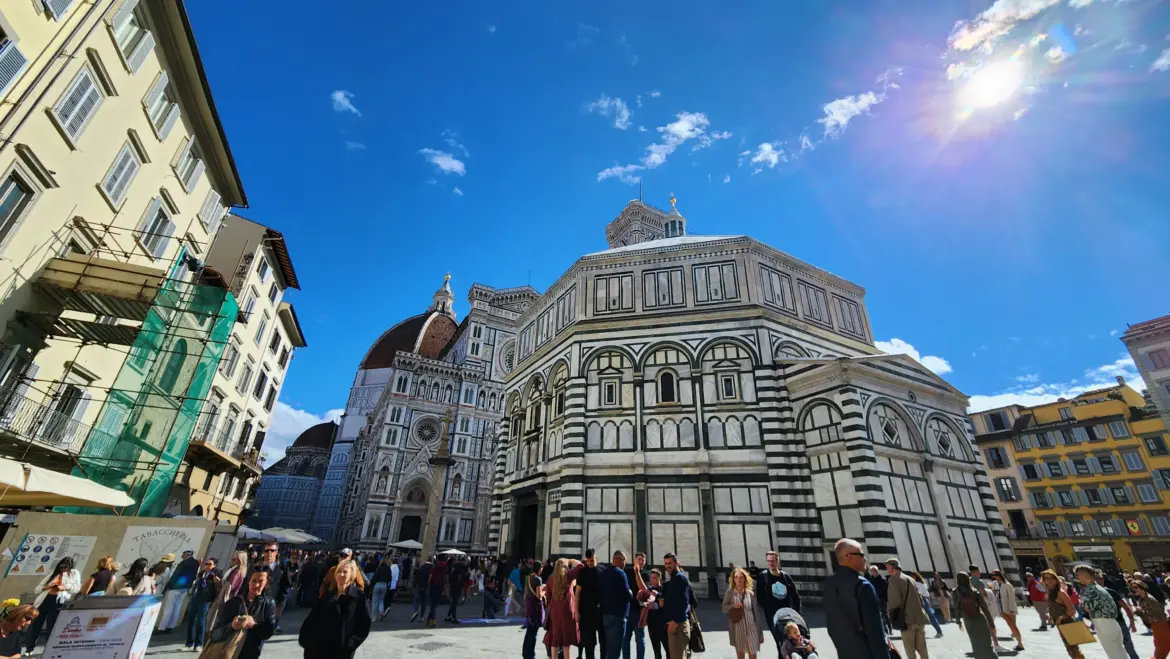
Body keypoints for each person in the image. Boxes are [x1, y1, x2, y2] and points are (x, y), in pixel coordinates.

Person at [822, 539, 890, 659]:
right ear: (849, 557)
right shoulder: (862, 585)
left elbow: (832, 627)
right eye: (861, 555)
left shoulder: (829, 585)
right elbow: (874, 632)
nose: (865, 559)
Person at [299, 559, 371, 658]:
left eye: (345, 572)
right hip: (321, 649)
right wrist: (307, 641)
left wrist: (351, 644)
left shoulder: (358, 597)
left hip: (342, 651)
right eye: (339, 571)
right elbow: (313, 619)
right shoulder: (327, 596)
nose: (341, 574)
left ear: (351, 575)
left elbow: (364, 623)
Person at [205, 566, 276, 659]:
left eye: (261, 581)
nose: (256, 585)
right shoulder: (234, 602)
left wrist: (254, 625)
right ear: (248, 581)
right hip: (228, 654)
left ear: (266, 583)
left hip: (251, 654)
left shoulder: (268, 603)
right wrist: (231, 626)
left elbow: (268, 632)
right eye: (254, 581)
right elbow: (214, 635)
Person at [27, 556, 80, 654]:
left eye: (66, 567)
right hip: (45, 600)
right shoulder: (53, 574)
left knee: (51, 626)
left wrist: (64, 587)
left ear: (70, 567)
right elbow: (37, 589)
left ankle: (48, 650)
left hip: (57, 601)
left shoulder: (74, 574)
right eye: (61, 567)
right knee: (35, 624)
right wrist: (48, 587)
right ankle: (29, 648)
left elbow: (76, 588)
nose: (63, 569)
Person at [1074, 565, 1126, 659]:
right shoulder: (1098, 587)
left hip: (1103, 622)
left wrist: (1083, 606)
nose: (1077, 577)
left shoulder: (1090, 590)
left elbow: (1086, 608)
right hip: (1111, 622)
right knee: (1119, 652)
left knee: (1114, 654)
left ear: (1084, 575)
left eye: (1077, 575)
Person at [757, 550, 800, 654]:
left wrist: (797, 613)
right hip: (772, 616)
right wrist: (768, 608)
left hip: (787, 615)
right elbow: (759, 596)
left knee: (791, 641)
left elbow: (795, 596)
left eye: (773, 561)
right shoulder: (763, 577)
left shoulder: (785, 577)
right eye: (769, 561)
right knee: (779, 642)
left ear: (778, 561)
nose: (771, 563)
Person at [884, 558, 928, 659]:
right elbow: (920, 598)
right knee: (923, 649)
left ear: (891, 567)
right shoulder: (910, 578)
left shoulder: (893, 580)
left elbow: (895, 601)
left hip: (907, 620)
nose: (887, 569)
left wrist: (889, 611)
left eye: (887, 567)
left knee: (910, 650)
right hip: (919, 618)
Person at [205, 551, 248, 646]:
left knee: (215, 623)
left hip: (225, 601)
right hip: (223, 599)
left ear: (240, 561)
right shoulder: (233, 570)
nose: (231, 561)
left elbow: (229, 587)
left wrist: (221, 582)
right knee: (212, 621)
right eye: (232, 558)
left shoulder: (237, 572)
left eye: (234, 559)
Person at [546, 557, 583, 659]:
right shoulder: (568, 575)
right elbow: (581, 566)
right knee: (566, 641)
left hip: (555, 611)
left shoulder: (551, 579)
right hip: (567, 611)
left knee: (555, 639)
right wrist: (571, 560)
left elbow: (548, 598)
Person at [1042, 570, 1084, 659]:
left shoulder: (1060, 592)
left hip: (1067, 623)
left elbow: (1072, 610)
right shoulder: (1049, 593)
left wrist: (1061, 617)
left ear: (1056, 579)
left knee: (1074, 650)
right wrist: (1050, 615)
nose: (1049, 580)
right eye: (1046, 578)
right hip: (1060, 624)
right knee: (1070, 649)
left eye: (1051, 578)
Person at [722, 567, 763, 659]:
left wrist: (760, 632)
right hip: (737, 629)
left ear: (745, 578)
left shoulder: (750, 594)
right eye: (736, 577)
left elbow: (756, 614)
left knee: (753, 654)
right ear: (733, 579)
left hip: (751, 628)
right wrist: (733, 606)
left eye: (741, 577)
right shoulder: (730, 593)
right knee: (740, 656)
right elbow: (724, 609)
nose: (738, 580)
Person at [600, 551, 634, 659]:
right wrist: (631, 593)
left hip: (606, 615)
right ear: (621, 560)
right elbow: (627, 595)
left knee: (609, 647)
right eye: (624, 561)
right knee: (615, 651)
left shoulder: (604, 573)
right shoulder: (621, 574)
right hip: (618, 616)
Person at [953, 572, 995, 659]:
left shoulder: (955, 592)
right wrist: (991, 623)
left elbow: (956, 608)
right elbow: (985, 609)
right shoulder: (975, 592)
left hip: (968, 620)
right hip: (979, 618)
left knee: (975, 642)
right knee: (986, 642)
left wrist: (958, 621)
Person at [183, 557, 221, 652]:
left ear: (214, 566)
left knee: (200, 621)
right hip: (196, 597)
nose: (207, 566)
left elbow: (219, 586)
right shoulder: (202, 573)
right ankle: (189, 643)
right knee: (191, 620)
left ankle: (198, 644)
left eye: (209, 564)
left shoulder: (215, 574)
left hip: (205, 600)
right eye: (206, 564)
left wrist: (217, 582)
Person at [159, 549, 200, 633]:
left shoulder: (183, 563)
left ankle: (162, 628)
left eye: (183, 554)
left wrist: (168, 587)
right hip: (185, 588)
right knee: (177, 607)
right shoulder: (196, 563)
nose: (182, 556)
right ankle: (171, 627)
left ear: (187, 554)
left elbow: (175, 575)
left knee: (169, 608)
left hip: (175, 587)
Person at [255, 543, 292, 633]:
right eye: (267, 550)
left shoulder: (282, 566)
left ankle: (273, 628)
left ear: (276, 552)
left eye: (272, 550)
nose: (269, 553)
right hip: (260, 599)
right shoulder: (257, 565)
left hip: (277, 599)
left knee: (273, 621)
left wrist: (282, 598)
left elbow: (287, 583)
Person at [662, 553, 692, 659]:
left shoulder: (679, 578)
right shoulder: (675, 578)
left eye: (670, 563)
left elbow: (684, 602)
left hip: (678, 625)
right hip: (676, 624)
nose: (667, 566)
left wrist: (674, 621)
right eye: (666, 563)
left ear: (677, 563)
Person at [576, 549, 605, 659]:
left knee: (603, 640)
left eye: (591, 560)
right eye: (587, 561)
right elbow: (577, 592)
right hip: (586, 611)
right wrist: (576, 611)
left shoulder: (603, 570)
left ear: (596, 558)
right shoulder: (583, 572)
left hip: (600, 611)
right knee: (589, 642)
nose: (589, 563)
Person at [1131, 579, 1169, 659]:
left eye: (1136, 587)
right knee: (1159, 644)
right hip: (1155, 625)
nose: (1134, 590)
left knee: (1162, 645)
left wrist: (1142, 612)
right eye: (1133, 588)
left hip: (1160, 624)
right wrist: (1140, 613)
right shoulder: (1141, 600)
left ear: (1142, 588)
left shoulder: (1150, 599)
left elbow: (1159, 613)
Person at [622, 552, 650, 659]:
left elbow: (644, 590)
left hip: (639, 611)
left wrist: (638, 574)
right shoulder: (626, 572)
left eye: (643, 560)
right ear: (634, 560)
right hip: (627, 610)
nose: (641, 561)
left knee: (640, 639)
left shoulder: (645, 574)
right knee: (625, 639)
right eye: (639, 559)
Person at [990, 570, 1022, 650]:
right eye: (994, 576)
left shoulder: (1007, 585)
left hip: (1009, 608)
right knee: (1010, 625)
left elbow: (1011, 598)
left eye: (996, 576)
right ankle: (1019, 643)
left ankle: (1020, 644)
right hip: (1001, 608)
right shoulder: (997, 584)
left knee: (1013, 626)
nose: (995, 577)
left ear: (999, 576)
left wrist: (1011, 609)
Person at [909, 571, 942, 638]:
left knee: (919, 616)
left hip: (920, 599)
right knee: (931, 616)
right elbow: (927, 593)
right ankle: (939, 631)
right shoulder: (923, 583)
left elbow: (919, 594)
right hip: (925, 599)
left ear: (914, 576)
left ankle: (920, 632)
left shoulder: (917, 584)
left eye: (912, 576)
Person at [522, 560, 545, 659]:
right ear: (539, 568)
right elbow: (539, 596)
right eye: (541, 568)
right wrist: (545, 590)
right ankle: (531, 654)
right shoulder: (537, 579)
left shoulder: (529, 578)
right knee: (533, 633)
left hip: (529, 607)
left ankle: (525, 652)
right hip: (536, 608)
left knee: (529, 632)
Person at [644, 570, 667, 659]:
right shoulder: (649, 590)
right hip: (652, 624)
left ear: (659, 578)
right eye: (651, 578)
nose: (652, 580)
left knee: (668, 648)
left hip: (663, 624)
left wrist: (657, 597)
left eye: (654, 578)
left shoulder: (664, 589)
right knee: (656, 651)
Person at [867, 565, 891, 633]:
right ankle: (884, 629)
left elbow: (887, 590)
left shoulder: (883, 580)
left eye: (876, 570)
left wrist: (887, 600)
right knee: (878, 615)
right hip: (874, 600)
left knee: (884, 614)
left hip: (882, 599)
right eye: (873, 571)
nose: (875, 572)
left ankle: (889, 627)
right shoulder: (870, 581)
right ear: (871, 572)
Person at [410, 556, 433, 622]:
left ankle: (415, 611)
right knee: (424, 602)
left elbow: (416, 577)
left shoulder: (421, 567)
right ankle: (421, 617)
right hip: (426, 586)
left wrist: (414, 585)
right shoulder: (431, 568)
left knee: (416, 599)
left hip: (419, 585)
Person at [447, 557, 470, 623]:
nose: (465, 562)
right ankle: (453, 617)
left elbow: (453, 577)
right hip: (457, 586)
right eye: (464, 561)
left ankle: (448, 616)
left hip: (455, 586)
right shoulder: (461, 568)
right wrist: (467, 575)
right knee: (455, 602)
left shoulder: (456, 567)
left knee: (454, 602)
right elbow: (462, 577)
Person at [371, 557, 393, 621]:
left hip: (377, 584)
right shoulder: (388, 569)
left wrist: (372, 585)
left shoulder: (379, 568)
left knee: (375, 601)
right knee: (381, 600)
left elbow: (375, 577)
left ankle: (374, 617)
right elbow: (390, 578)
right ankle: (381, 613)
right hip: (384, 584)